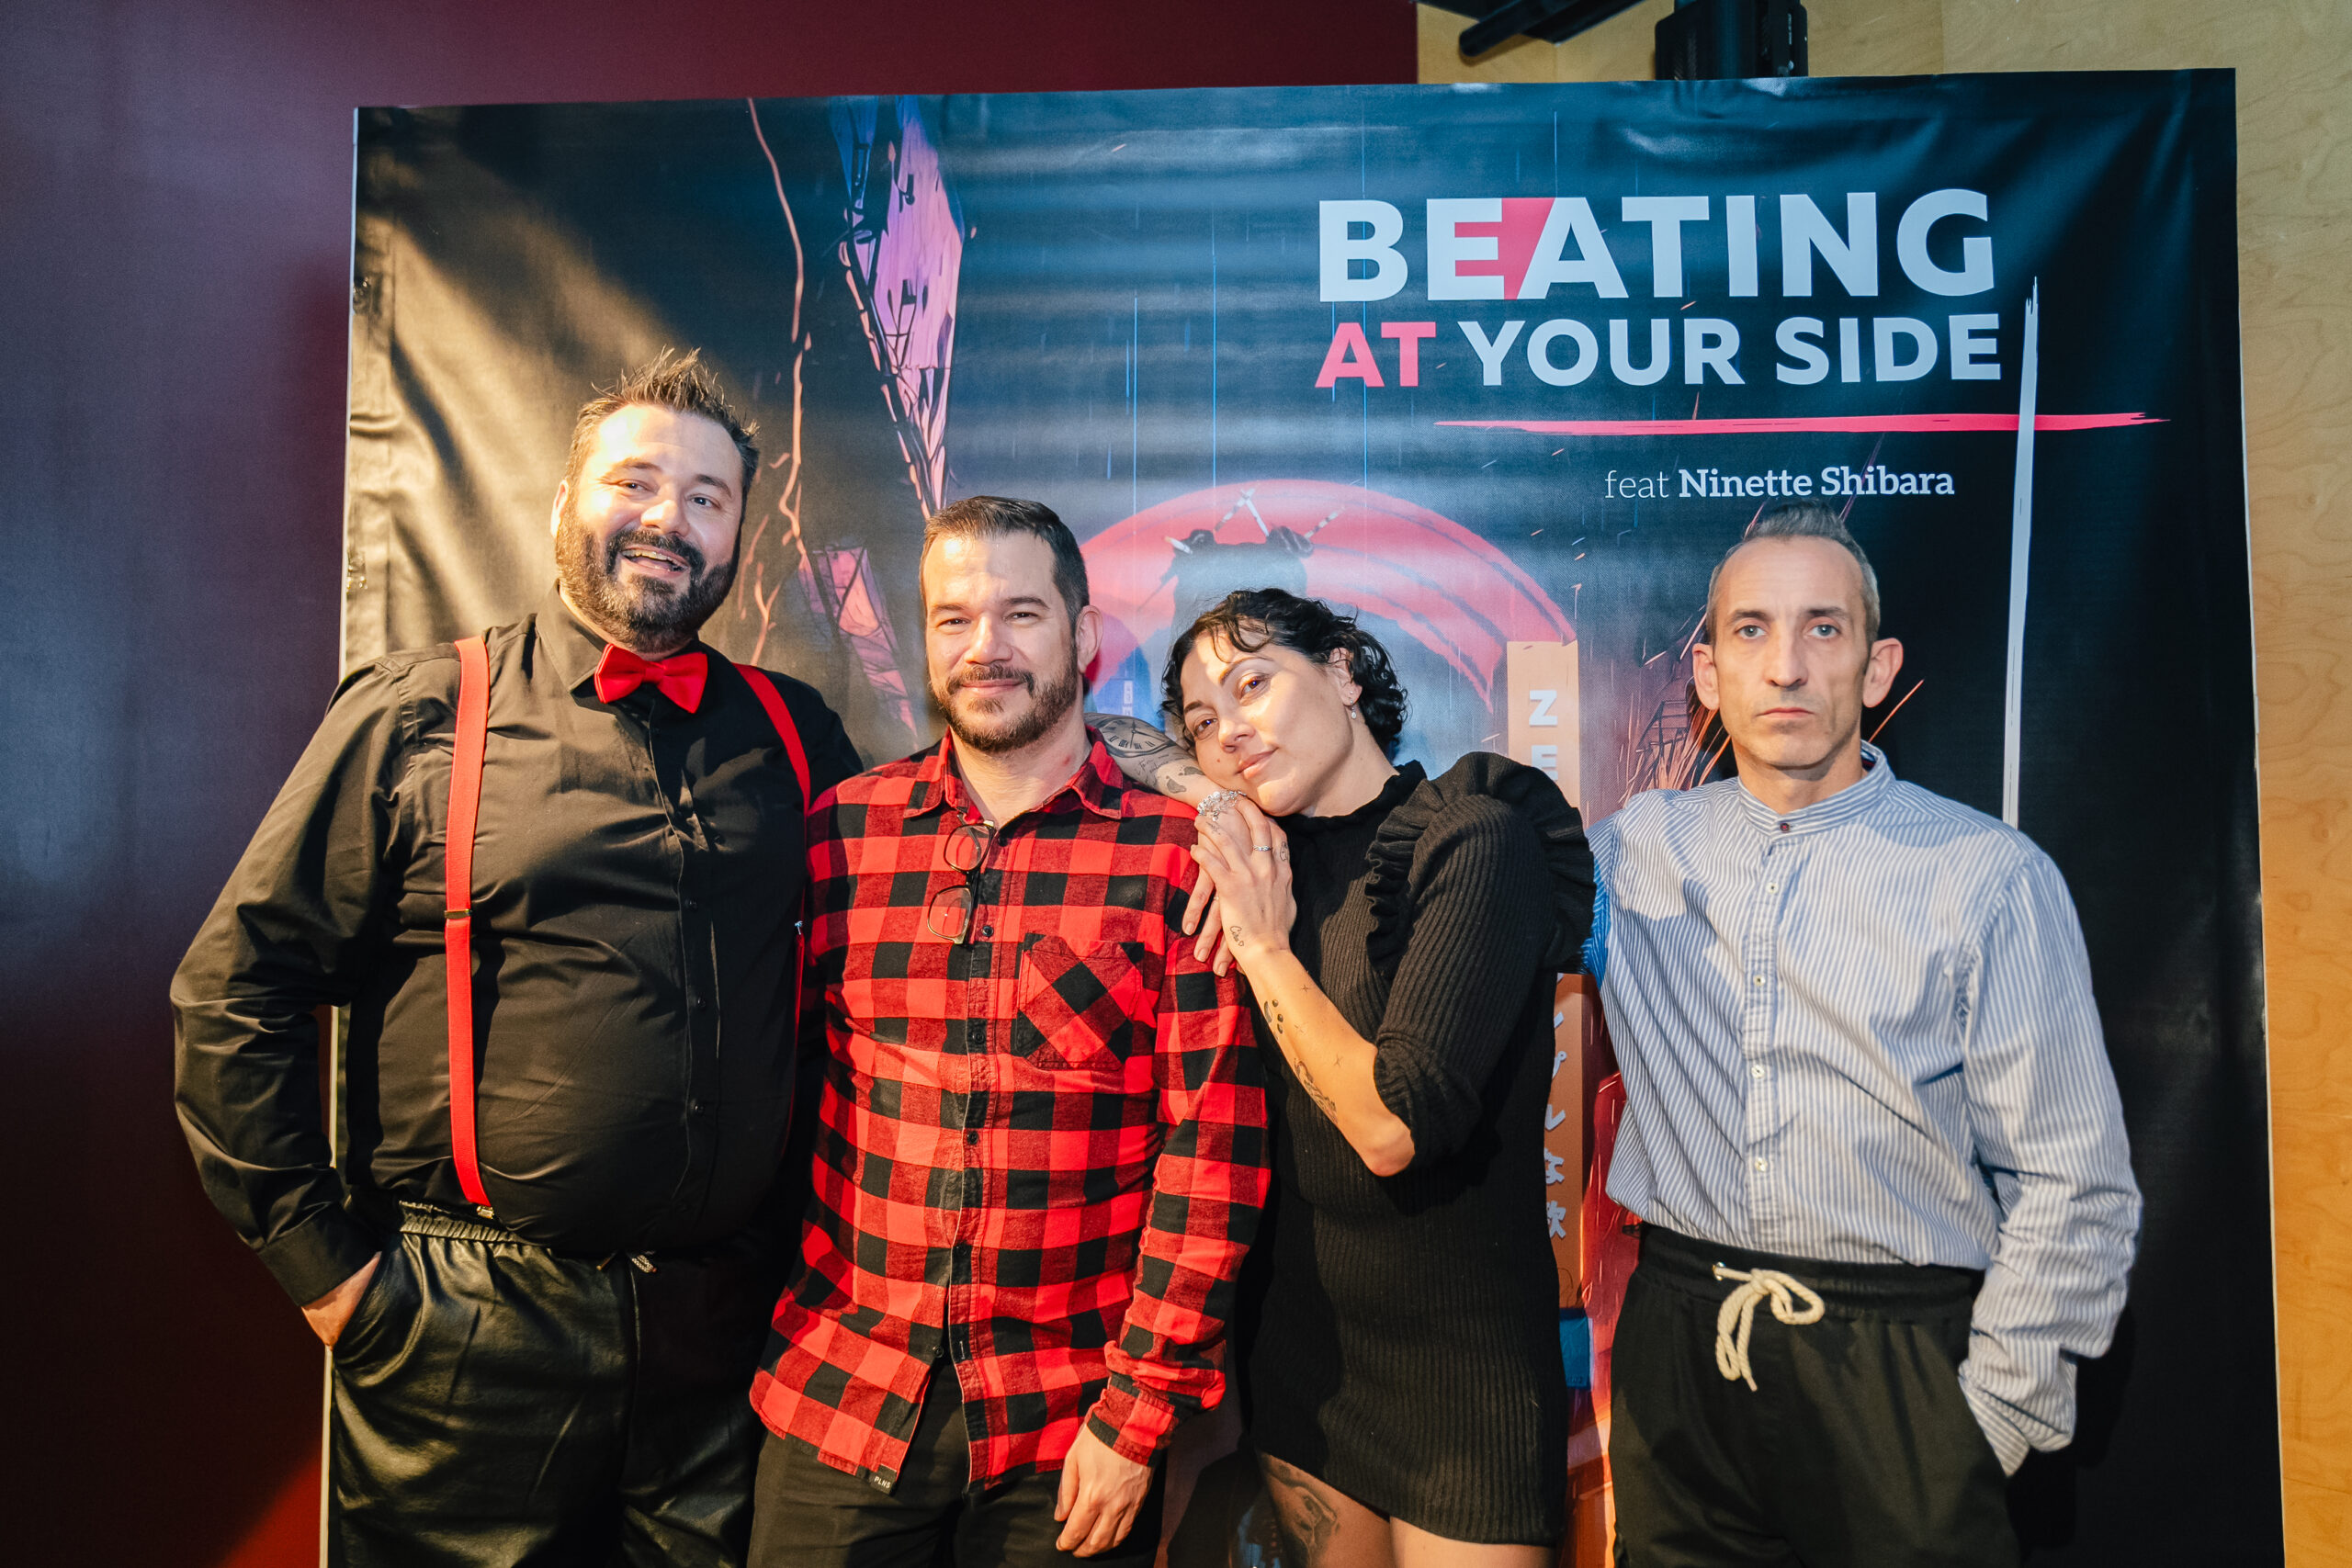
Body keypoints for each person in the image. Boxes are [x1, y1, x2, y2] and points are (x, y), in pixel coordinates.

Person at [172, 351, 863, 1566]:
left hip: (726, 1340)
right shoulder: (419, 711)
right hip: (464, 1340)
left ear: (739, 536)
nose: (669, 518)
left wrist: (1180, 777)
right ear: (563, 507)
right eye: (635, 481)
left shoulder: (795, 734)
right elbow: (237, 987)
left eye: (706, 497)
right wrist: (330, 1273)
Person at [1591, 502, 2142, 1566]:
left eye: (1823, 628)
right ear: (1707, 674)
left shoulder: (1987, 876)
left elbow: (2074, 1182)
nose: (1785, 666)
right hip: (1682, 1355)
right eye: (1750, 630)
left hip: (1901, 1361)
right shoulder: (1627, 851)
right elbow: (1465, 896)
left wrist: (1983, 1424)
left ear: (1877, 668)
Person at [746, 496, 1270, 1566]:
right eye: (954, 619)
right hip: (843, 1396)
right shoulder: (841, 833)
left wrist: (1138, 1417)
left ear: (1082, 635)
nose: (984, 648)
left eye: (1021, 615)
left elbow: (1209, 1157)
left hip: (1069, 1426)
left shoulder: (1178, 854)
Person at [1165, 587, 1592, 1567]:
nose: (1230, 731)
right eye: (1202, 721)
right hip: (1304, 1358)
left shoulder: (1470, 834)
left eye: (1252, 685)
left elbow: (1394, 1125)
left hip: (1466, 1375)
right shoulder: (1256, 854)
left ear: (1344, 672)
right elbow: (1098, 735)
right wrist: (1210, 797)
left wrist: (1263, 946)